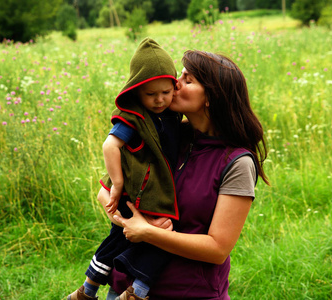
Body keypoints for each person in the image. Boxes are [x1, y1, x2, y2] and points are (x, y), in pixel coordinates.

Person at [97, 49, 270, 300]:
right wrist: (126, 222)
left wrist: (147, 231)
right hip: (123, 288)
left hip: (188, 292)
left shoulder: (236, 163)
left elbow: (217, 249)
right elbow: (106, 192)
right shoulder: (163, 135)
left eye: (187, 80)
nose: (174, 83)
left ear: (211, 97)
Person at [67, 38, 182, 300]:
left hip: (153, 190)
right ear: (136, 92)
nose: (159, 100)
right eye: (150, 94)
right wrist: (116, 184)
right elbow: (110, 146)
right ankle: (103, 290)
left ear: (173, 86)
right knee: (149, 237)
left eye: (165, 92)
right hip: (136, 192)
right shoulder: (133, 117)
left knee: (146, 238)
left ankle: (101, 291)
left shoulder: (172, 116)